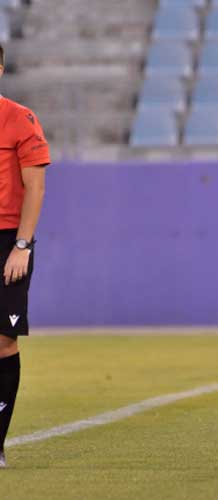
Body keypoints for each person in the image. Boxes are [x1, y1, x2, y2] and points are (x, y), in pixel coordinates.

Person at [0, 43, 51, 468]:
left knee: (3, 340)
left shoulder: (20, 119)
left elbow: (34, 187)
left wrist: (22, 245)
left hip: (6, 241)